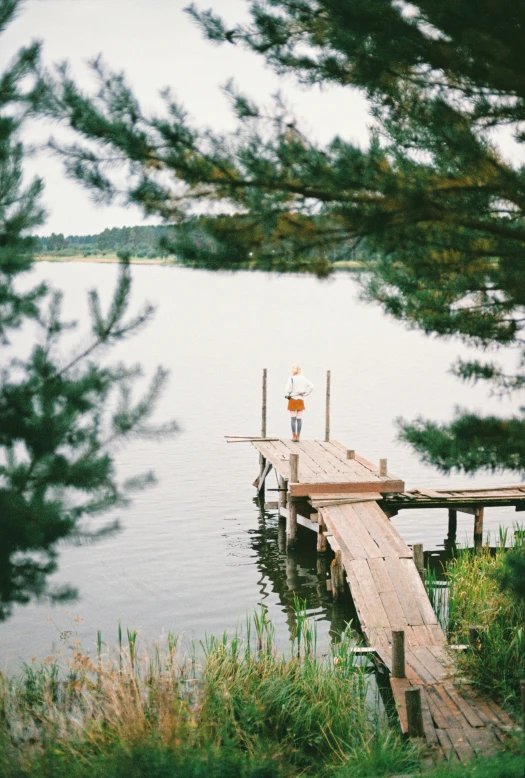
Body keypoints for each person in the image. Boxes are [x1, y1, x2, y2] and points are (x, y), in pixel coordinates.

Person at [284, 363, 314, 442]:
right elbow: (311, 386)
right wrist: (306, 393)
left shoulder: (291, 379)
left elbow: (287, 390)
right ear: (300, 370)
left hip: (293, 399)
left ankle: (294, 436)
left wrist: (287, 394)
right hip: (300, 399)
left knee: (293, 419)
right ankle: (298, 436)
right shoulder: (304, 378)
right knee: (299, 419)